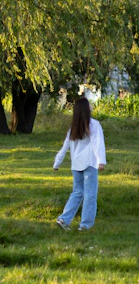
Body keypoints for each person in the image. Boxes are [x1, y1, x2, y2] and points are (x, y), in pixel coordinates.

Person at [53, 97, 106, 231]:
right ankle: (85, 225)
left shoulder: (73, 128)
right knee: (90, 194)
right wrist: (101, 161)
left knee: (77, 192)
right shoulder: (94, 124)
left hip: (76, 165)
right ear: (86, 109)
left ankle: (64, 219)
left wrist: (57, 163)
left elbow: (65, 146)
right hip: (89, 164)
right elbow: (97, 143)